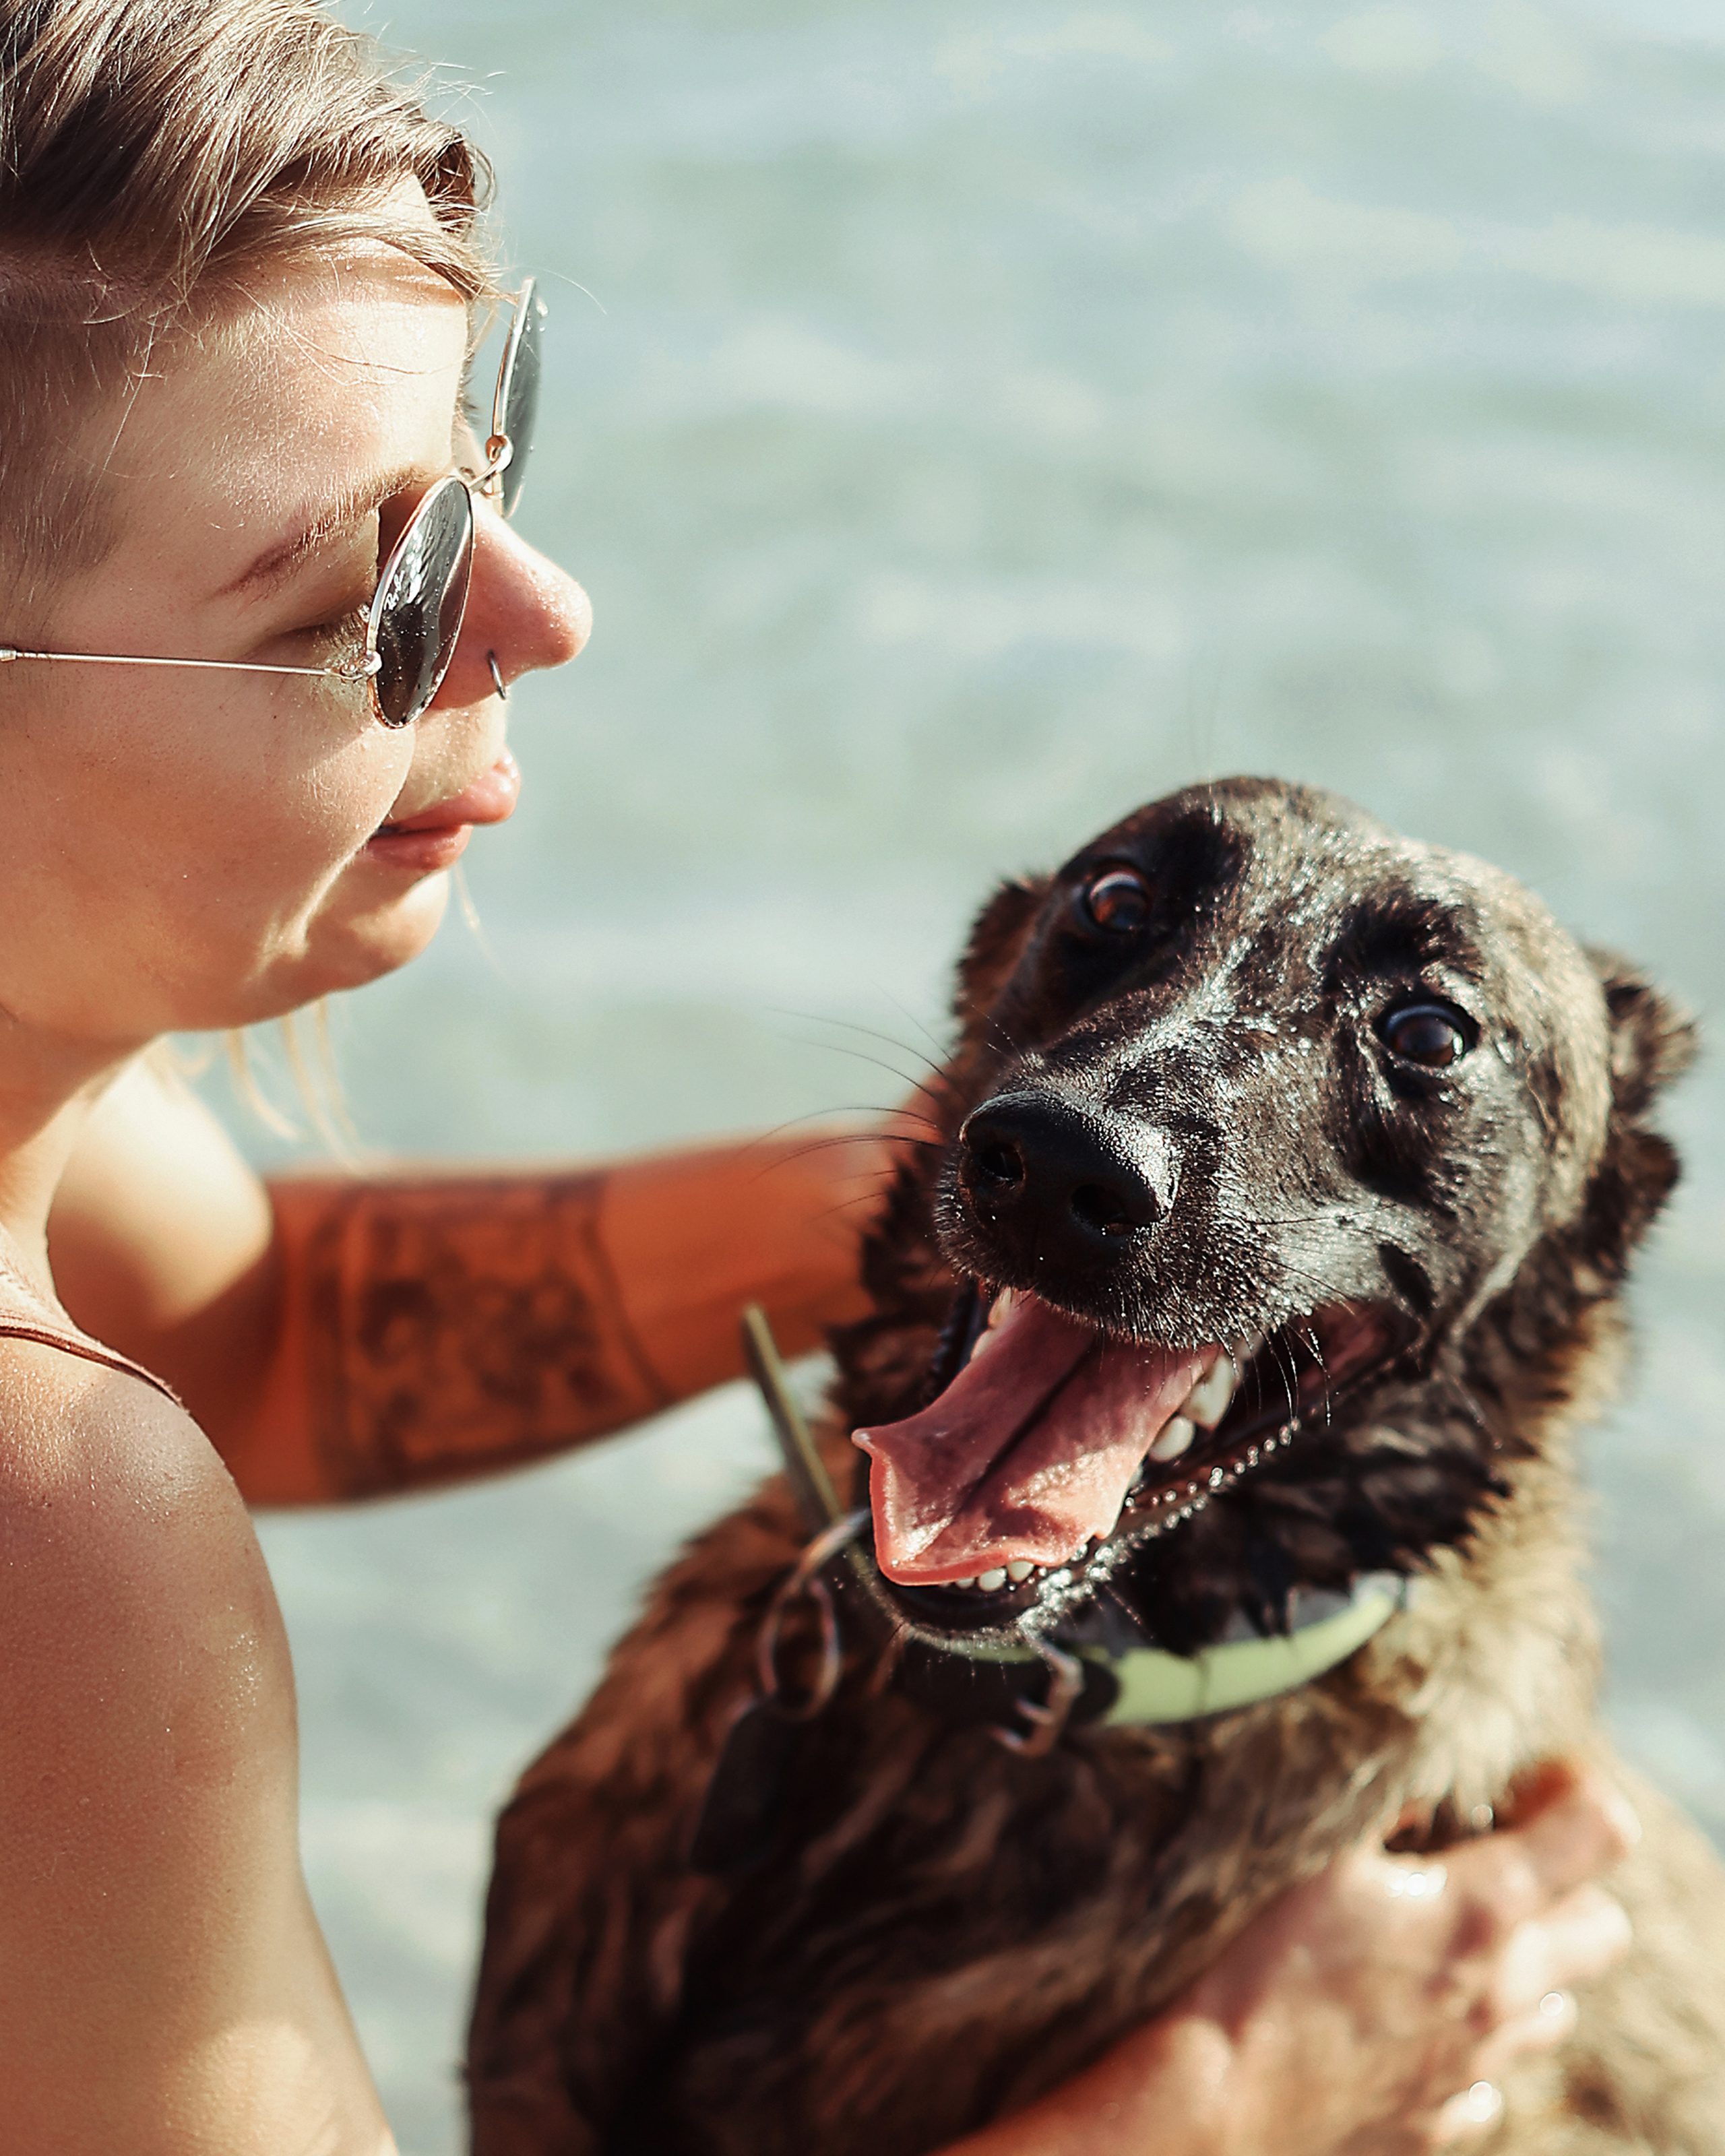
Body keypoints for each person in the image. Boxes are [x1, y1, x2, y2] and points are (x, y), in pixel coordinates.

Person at [0, 1, 1633, 2149]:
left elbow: (264, 1330)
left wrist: (1041, 1180)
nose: (546, 612)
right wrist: (1216, 2106)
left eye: (495, 453)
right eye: (366, 589)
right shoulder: (69, 1547)